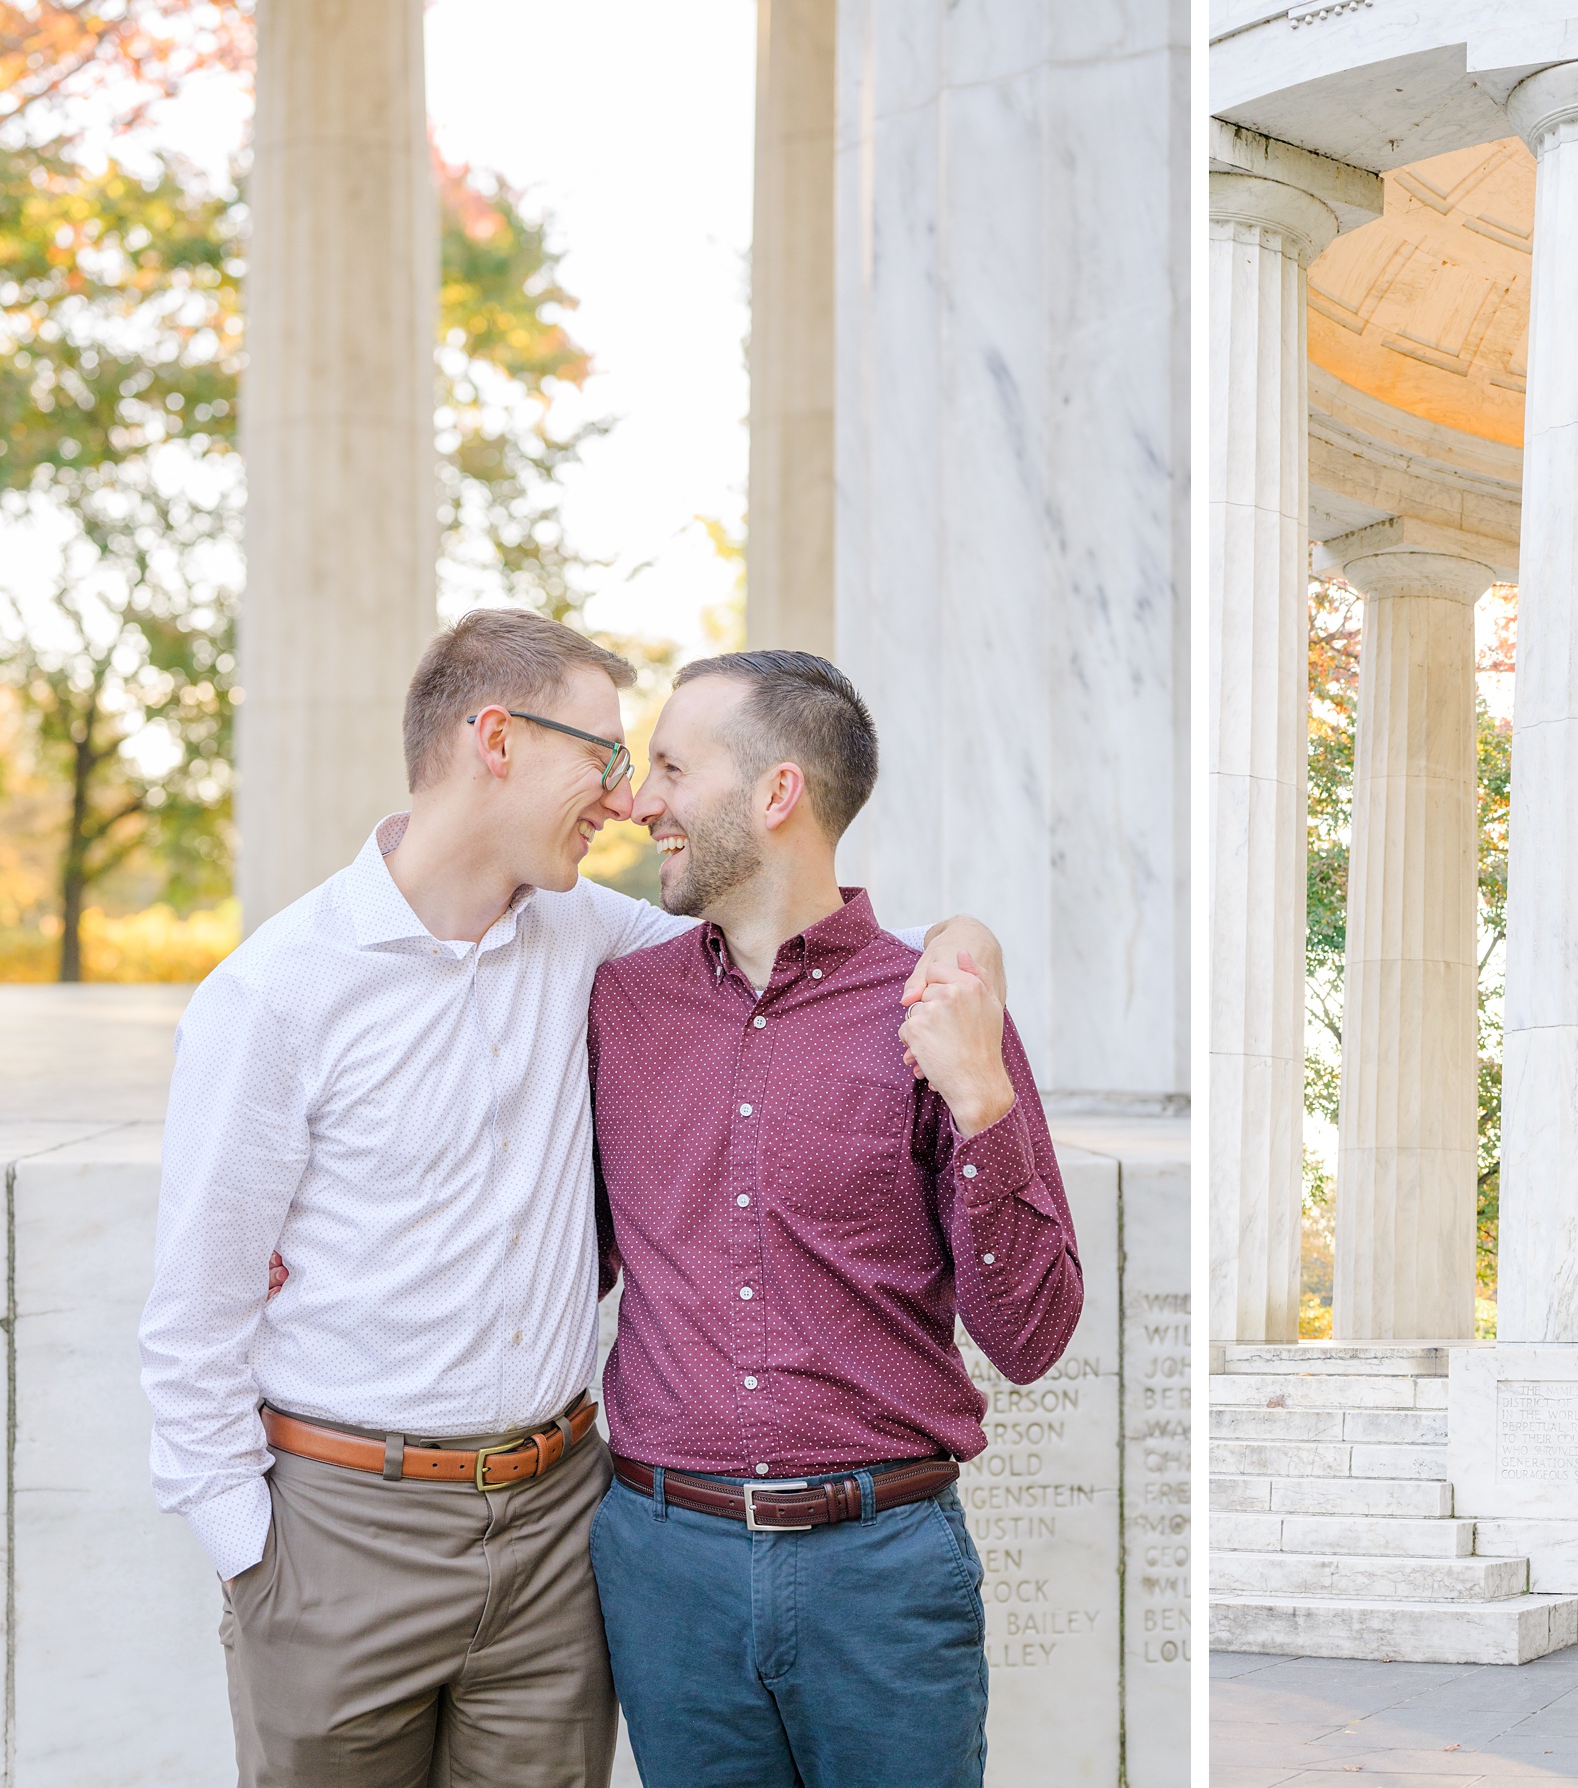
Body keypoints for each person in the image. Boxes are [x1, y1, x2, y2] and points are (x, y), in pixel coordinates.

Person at [138, 609, 998, 1786]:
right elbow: (197, 1310)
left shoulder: (593, 937)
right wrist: (256, 1562)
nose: (627, 796)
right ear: (497, 737)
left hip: (558, 1535)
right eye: (602, 753)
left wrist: (967, 944)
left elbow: (794, 940)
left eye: (645, 764)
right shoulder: (277, 995)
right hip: (342, 1534)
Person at [584, 648, 1081, 1788]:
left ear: (776, 793)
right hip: (667, 1570)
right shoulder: (620, 1005)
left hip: (885, 1576)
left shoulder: (942, 1011)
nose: (642, 800)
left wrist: (983, 1101)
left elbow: (1033, 1337)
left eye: (671, 768)